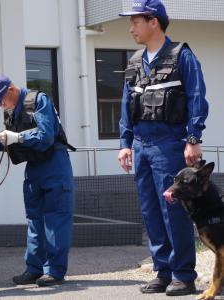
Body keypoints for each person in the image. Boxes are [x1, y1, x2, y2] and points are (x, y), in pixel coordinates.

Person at [117, 0, 209, 296]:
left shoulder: (181, 56)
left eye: (135, 21)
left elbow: (197, 96)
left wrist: (193, 138)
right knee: (151, 211)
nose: (131, 28)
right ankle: (163, 271)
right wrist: (124, 143)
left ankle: (184, 274)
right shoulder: (134, 61)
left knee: (173, 211)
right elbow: (125, 106)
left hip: (170, 144)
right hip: (142, 146)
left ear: (153, 21)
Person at [0, 75, 75, 287]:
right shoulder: (12, 110)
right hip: (33, 168)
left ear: (12, 90)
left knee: (55, 220)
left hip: (54, 165)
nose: (3, 106)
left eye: (2, 101)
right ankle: (34, 269)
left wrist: (16, 137)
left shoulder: (38, 101)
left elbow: (46, 136)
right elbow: (12, 142)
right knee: (34, 220)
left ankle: (54, 271)